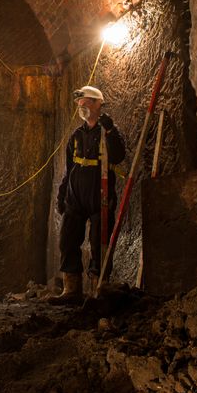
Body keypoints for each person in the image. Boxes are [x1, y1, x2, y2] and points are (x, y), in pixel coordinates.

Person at [56, 85, 125, 302]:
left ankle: (98, 288)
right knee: (67, 240)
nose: (81, 107)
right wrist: (62, 194)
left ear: (97, 104)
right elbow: (69, 167)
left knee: (99, 243)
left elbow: (118, 156)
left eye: (85, 102)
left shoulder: (107, 132)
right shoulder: (77, 135)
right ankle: (71, 289)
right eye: (79, 104)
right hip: (75, 197)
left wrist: (111, 132)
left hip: (99, 197)